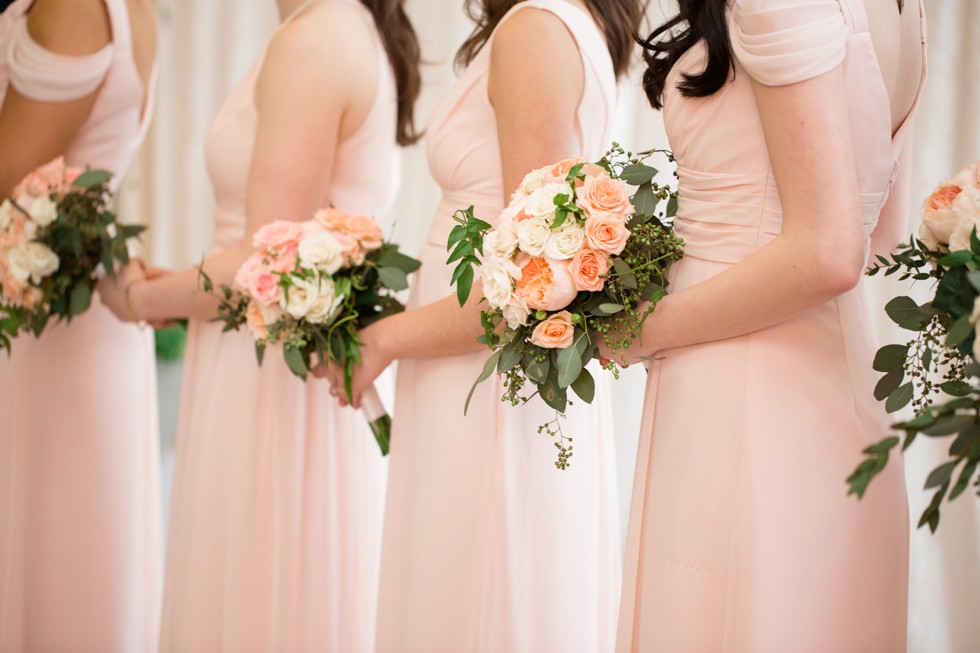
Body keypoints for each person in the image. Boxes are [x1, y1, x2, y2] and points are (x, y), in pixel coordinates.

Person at [97, 0, 420, 649]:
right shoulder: (338, 27)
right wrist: (175, 286)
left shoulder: (317, 37)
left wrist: (136, 298)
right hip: (272, 360)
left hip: (272, 377)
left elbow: (264, 260)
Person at [322, 1, 643, 650]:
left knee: (473, 600)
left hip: (487, 387)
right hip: (476, 376)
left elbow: (532, 283)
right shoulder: (560, 22)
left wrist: (383, 338)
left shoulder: (536, 28)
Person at [611, 0, 926, 650]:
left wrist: (639, 329)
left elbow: (829, 252)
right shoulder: (909, 10)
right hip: (838, 382)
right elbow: (880, 235)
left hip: (739, 387)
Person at [0, 1, 161, 650]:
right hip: (71, 320)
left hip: (43, 332)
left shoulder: (74, 6)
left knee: (53, 578)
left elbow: (9, 172)